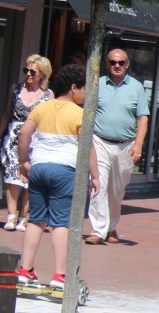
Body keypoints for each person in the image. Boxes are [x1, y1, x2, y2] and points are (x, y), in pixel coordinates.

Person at [14, 64, 99, 289]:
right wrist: (95, 175)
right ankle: (60, 275)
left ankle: (25, 270)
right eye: (84, 89)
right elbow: (87, 146)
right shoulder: (80, 114)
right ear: (73, 88)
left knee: (36, 219)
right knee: (61, 222)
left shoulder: (43, 107)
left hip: (39, 168)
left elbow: (24, 133)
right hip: (64, 170)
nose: (86, 94)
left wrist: (24, 162)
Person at [85, 48, 148, 245]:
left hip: (125, 145)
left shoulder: (136, 87)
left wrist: (138, 144)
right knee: (98, 184)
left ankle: (111, 227)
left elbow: (142, 118)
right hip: (100, 141)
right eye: (113, 62)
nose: (117, 66)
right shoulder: (98, 84)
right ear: (107, 63)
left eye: (121, 62)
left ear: (127, 64)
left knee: (116, 189)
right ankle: (98, 229)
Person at [0, 55, 53, 231]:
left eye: (32, 71)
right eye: (25, 70)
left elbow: (49, 122)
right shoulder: (16, 89)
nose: (28, 74)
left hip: (35, 140)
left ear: (42, 74)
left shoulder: (48, 95)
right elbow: (6, 114)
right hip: (13, 138)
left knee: (29, 180)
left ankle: (24, 217)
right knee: (12, 178)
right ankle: (11, 216)